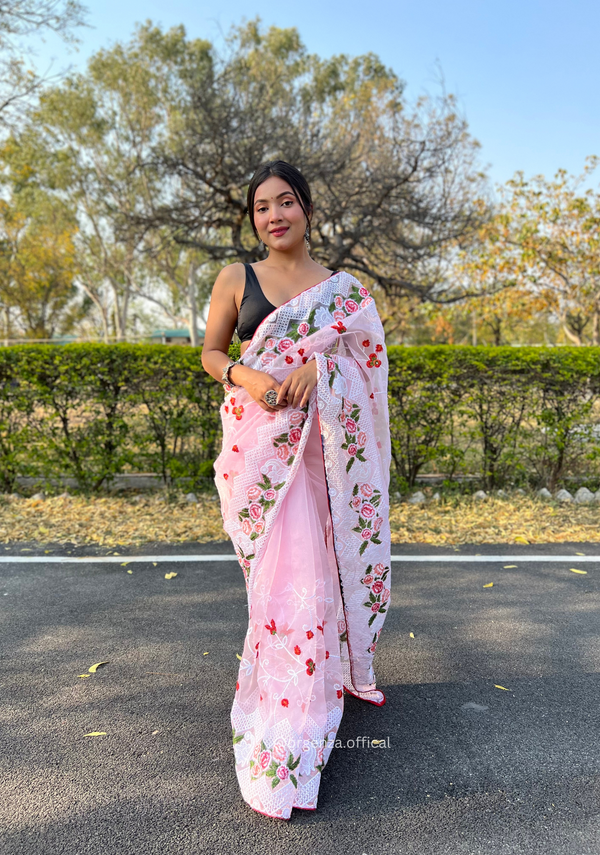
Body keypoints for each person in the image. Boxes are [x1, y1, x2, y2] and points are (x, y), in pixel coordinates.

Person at [201, 160, 391, 820]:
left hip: (319, 457)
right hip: (260, 452)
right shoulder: (236, 278)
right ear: (252, 218)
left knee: (312, 577)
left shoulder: (341, 290)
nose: (274, 214)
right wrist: (247, 379)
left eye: (286, 202)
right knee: (275, 587)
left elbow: (364, 357)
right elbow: (211, 354)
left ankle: (303, 716)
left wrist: (321, 364)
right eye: (262, 207)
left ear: (308, 209)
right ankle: (284, 695)